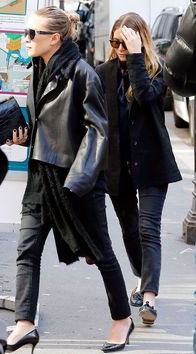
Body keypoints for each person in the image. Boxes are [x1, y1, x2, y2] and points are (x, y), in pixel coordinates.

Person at [6, 7, 134, 353]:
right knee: (27, 251)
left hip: (75, 181)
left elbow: (97, 132)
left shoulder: (82, 73)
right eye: (27, 32)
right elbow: (48, 124)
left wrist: (77, 181)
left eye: (34, 33)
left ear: (55, 38)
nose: (27, 39)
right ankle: (24, 323)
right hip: (40, 175)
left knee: (102, 254)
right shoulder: (37, 70)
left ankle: (122, 320)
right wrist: (25, 136)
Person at [96, 12, 182, 326]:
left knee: (148, 230)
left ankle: (149, 298)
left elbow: (145, 97)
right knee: (130, 231)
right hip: (117, 166)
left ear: (139, 40)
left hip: (153, 164)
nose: (119, 46)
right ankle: (140, 276)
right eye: (115, 41)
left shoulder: (157, 72)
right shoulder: (102, 73)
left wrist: (135, 56)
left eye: (126, 41)